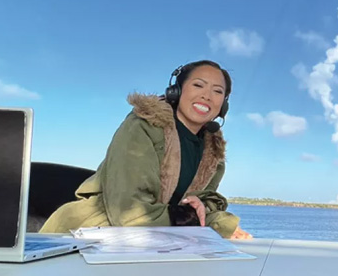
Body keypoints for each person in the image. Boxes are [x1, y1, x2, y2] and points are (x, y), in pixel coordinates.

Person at [39, 60, 252, 240]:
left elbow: (203, 207)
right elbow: (129, 214)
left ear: (223, 106)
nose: (207, 96)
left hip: (158, 241)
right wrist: (194, 218)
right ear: (176, 91)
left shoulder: (213, 155)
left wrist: (213, 218)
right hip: (87, 235)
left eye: (217, 91)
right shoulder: (143, 126)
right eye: (198, 85)